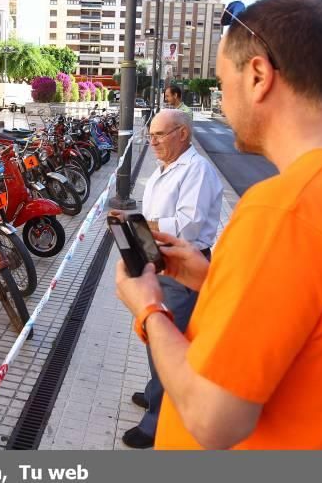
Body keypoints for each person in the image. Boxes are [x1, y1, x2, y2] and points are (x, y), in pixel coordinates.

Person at [116, 0, 322, 450]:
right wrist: (213, 280)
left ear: (257, 76)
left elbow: (214, 422)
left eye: (221, 83)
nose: (224, 105)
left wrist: (148, 308)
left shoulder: (284, 210)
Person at [113, 109, 223, 448]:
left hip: (184, 264)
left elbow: (188, 224)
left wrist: (143, 224)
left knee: (167, 339)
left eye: (161, 134)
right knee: (152, 334)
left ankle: (157, 421)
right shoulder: (167, 168)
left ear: (183, 134)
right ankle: (154, 393)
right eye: (152, 134)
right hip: (159, 259)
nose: (153, 140)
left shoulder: (197, 170)